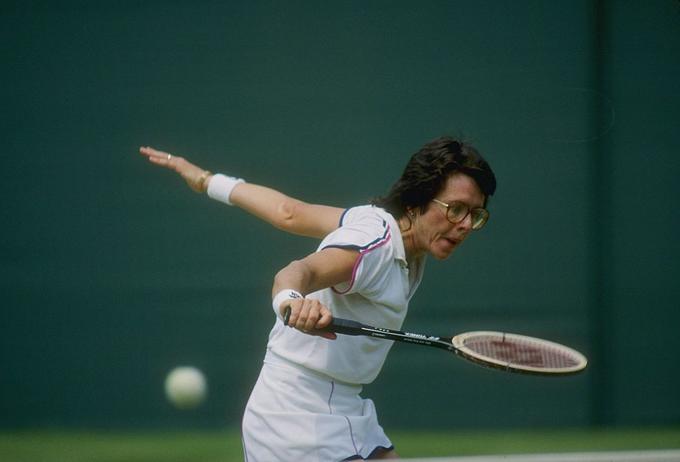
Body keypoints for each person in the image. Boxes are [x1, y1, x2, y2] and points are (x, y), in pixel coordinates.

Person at [139, 136, 497, 461]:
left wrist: (205, 181)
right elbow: (299, 272)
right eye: (455, 209)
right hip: (295, 417)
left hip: (344, 405)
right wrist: (292, 301)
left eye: (475, 214)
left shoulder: (387, 231)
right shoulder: (375, 246)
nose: (465, 224)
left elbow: (288, 212)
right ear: (418, 200)